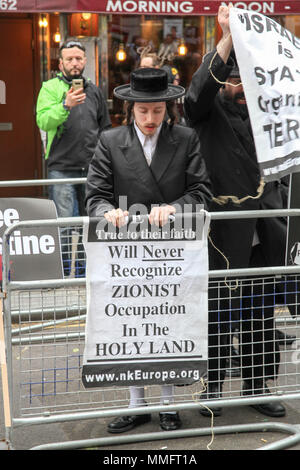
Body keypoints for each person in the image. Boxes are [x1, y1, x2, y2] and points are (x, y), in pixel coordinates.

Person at [85, 67, 212, 433]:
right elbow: (95, 195)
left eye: (158, 111)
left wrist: (176, 207)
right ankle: (135, 403)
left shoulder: (186, 139)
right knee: (131, 323)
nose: (151, 119)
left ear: (168, 109)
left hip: (173, 253)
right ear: (131, 110)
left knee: (167, 319)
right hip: (124, 254)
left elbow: (201, 192)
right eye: (143, 112)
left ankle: (168, 404)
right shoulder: (110, 141)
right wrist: (106, 211)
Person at [184, 5, 289, 418]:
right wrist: (227, 38)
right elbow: (196, 94)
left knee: (262, 311)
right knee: (219, 314)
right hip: (225, 233)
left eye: (245, 78)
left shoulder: (270, 112)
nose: (239, 85)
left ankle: (257, 385)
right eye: (232, 78)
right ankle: (213, 387)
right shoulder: (206, 114)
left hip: (268, 227)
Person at [36, 40, 111, 277]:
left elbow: (105, 130)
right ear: (61, 63)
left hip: (92, 169)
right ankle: (63, 273)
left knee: (92, 222)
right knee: (65, 225)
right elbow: (43, 121)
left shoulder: (95, 90)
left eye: (78, 58)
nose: (74, 63)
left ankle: (84, 273)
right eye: (69, 59)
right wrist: (65, 105)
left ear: (86, 61)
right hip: (62, 167)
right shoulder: (49, 88)